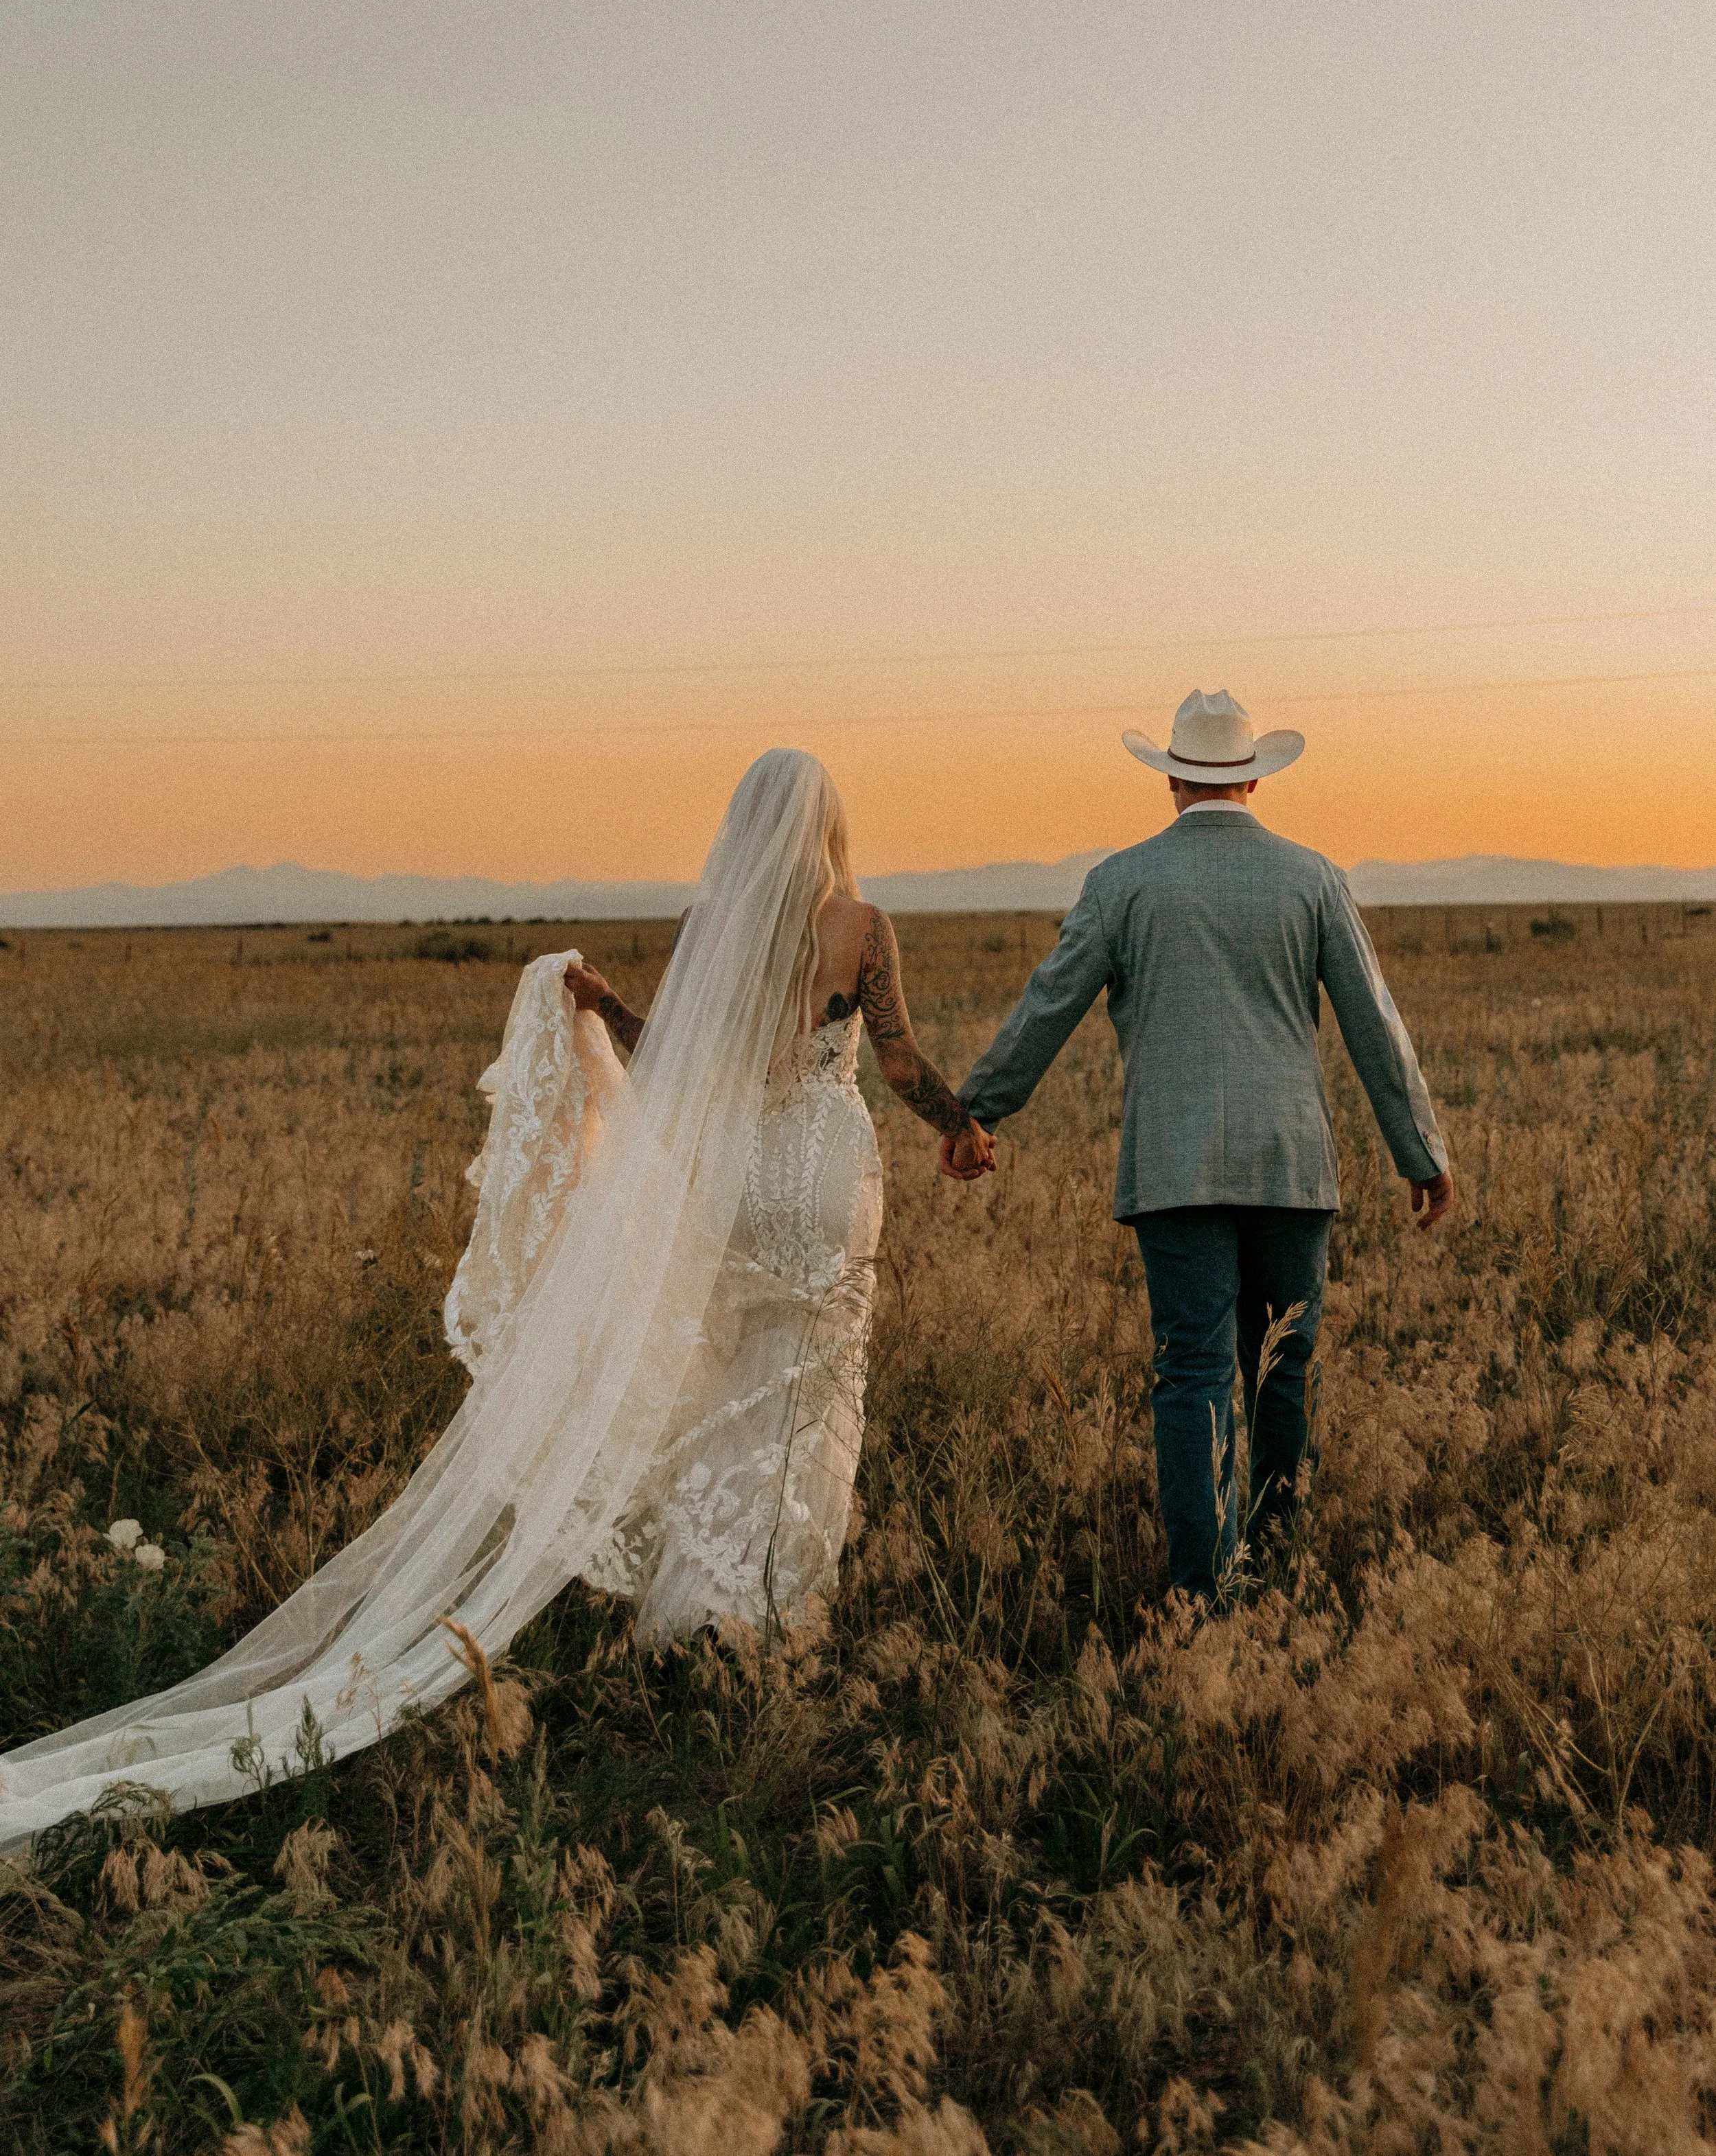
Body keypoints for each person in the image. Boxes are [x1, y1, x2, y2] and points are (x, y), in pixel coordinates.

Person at [0, 750, 990, 1852]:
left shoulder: (714, 923)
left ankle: (702, 1614)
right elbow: (897, 1064)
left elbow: (677, 1062)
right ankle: (775, 1613)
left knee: (726, 1383)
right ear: (828, 825)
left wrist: (608, 1007)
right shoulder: (860, 927)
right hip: (825, 1175)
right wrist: (960, 1126)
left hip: (738, 1183)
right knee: (810, 1390)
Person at [948, 689, 1453, 1603]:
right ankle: (1278, 1566)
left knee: (1192, 1374)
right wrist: (1419, 1148)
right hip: (1289, 1162)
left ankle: (1200, 1595)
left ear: (1172, 779)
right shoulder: (1312, 878)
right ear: (1254, 778)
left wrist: (977, 1112)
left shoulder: (1121, 882)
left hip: (1174, 1167)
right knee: (1283, 1368)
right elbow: (1374, 1024)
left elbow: (1048, 1006)